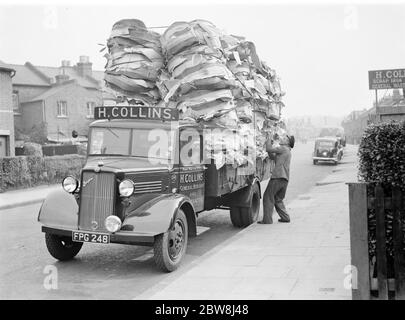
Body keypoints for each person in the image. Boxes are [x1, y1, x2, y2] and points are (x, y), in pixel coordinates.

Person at [258, 134, 293, 224]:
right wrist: (271, 144)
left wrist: (268, 138)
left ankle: (267, 220)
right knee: (278, 199)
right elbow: (272, 156)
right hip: (284, 179)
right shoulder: (287, 151)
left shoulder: (283, 148)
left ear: (288, 143)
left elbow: (268, 149)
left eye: (285, 138)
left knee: (268, 197)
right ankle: (285, 217)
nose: (282, 138)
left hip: (278, 177)